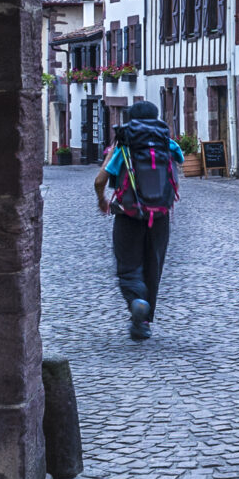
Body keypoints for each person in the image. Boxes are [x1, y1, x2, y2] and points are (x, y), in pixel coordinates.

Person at [94, 99, 180, 340]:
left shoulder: (124, 146)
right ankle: (143, 323)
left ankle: (136, 301)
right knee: (154, 266)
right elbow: (178, 165)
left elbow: (99, 180)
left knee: (129, 267)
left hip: (128, 215)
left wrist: (102, 199)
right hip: (160, 216)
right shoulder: (167, 143)